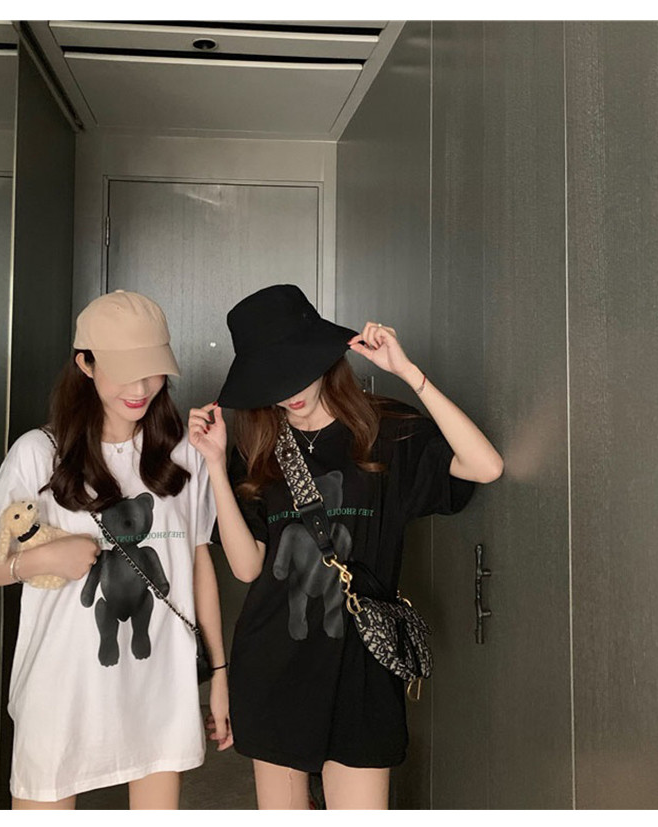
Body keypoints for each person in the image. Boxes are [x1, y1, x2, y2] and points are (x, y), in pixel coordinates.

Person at [188, 284, 503, 810]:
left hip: (362, 667)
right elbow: (246, 568)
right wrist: (216, 466)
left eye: (298, 369)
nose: (289, 391)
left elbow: (485, 466)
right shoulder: (257, 450)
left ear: (323, 355)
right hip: (274, 667)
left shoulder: (385, 431)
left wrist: (410, 373)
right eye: (272, 379)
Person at [0, 290, 231, 809]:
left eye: (152, 371)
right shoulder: (39, 453)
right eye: (124, 371)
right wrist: (38, 560)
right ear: (85, 364)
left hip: (159, 686)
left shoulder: (182, 453)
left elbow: (199, 565)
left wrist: (219, 674)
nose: (140, 388)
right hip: (61, 690)